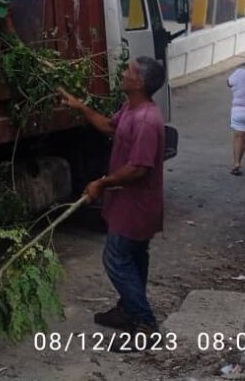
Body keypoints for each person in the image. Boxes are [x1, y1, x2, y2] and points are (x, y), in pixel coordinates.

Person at [58, 56, 167, 335]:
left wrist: (101, 183)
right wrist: (81, 107)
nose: (123, 73)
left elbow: (138, 169)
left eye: (128, 71)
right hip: (128, 203)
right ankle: (128, 309)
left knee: (116, 258)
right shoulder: (131, 109)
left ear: (139, 82)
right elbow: (108, 126)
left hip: (137, 205)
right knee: (135, 256)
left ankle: (144, 324)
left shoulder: (146, 120)